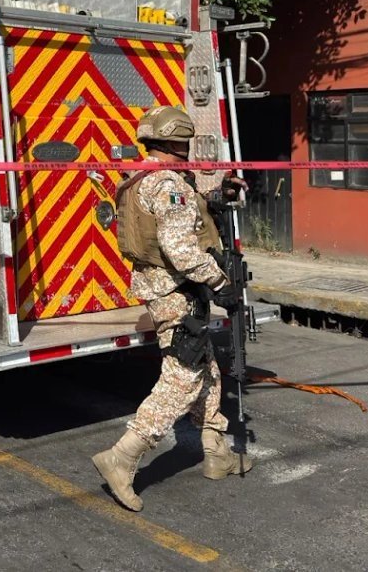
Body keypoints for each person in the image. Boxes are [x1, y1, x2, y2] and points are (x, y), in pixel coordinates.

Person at [92, 105, 253, 512]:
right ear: (178, 141)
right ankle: (123, 457)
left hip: (158, 286)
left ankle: (215, 450)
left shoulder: (140, 176)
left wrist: (216, 198)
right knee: (182, 378)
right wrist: (222, 283)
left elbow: (184, 216)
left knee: (206, 367)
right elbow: (182, 250)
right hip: (176, 290)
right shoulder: (168, 183)